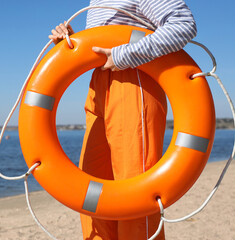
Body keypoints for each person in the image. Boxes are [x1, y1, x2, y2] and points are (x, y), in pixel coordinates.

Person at [49, 0, 197, 239]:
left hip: (135, 80)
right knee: (93, 183)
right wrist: (73, 43)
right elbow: (103, 43)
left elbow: (183, 25)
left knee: (133, 185)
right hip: (99, 84)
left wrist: (125, 54)